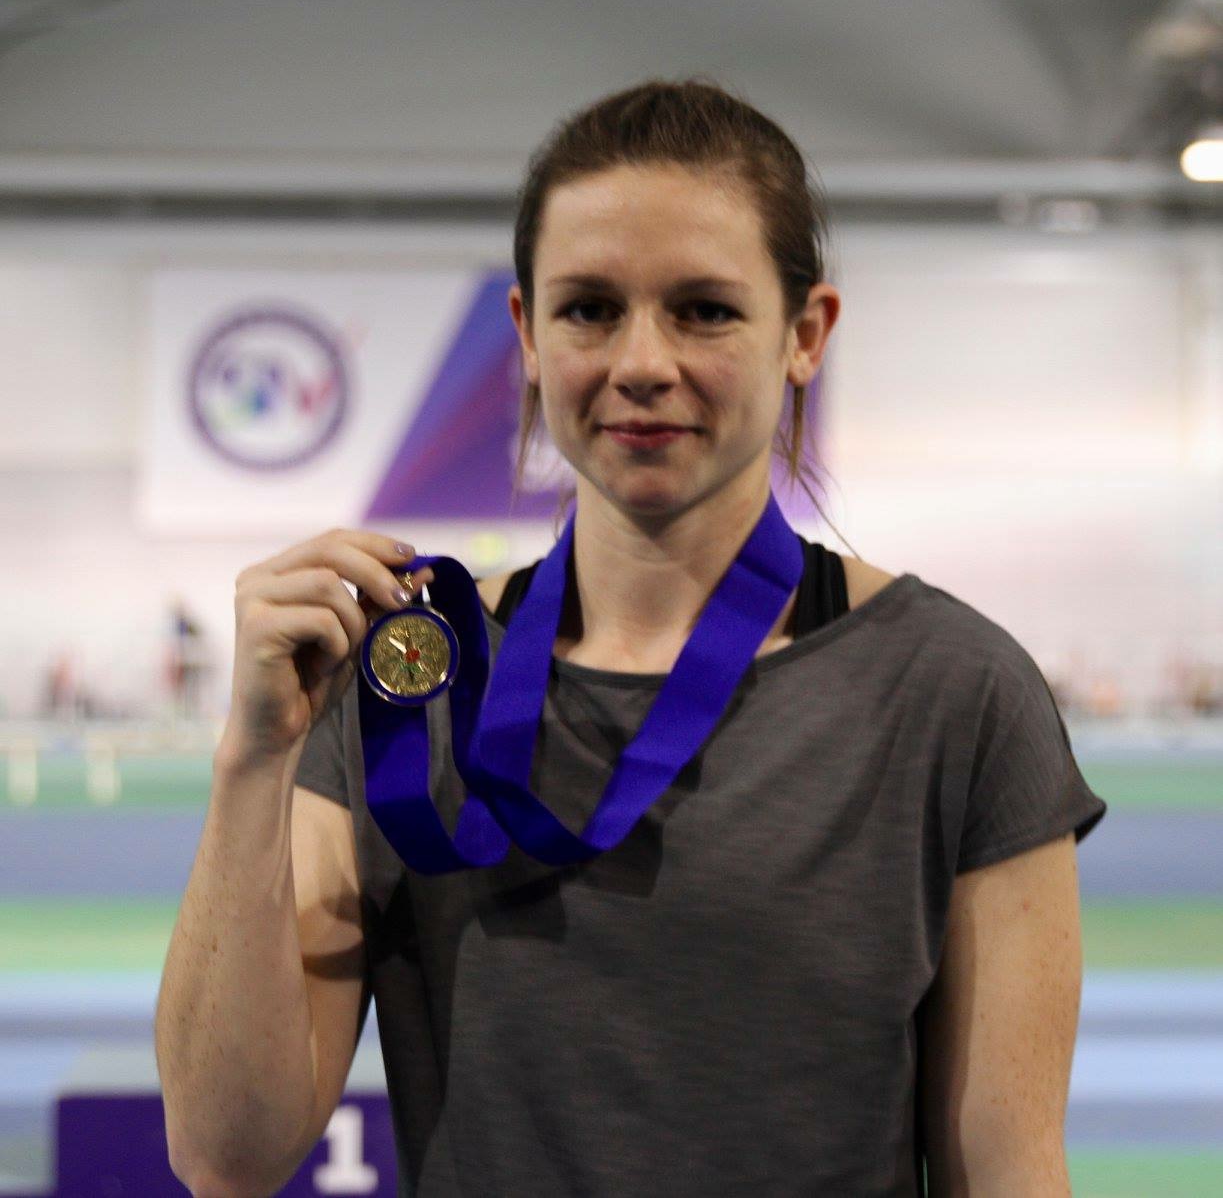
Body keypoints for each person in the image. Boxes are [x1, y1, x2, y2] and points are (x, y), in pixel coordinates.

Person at [155, 79, 1107, 1196]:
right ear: (526, 332)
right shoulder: (408, 679)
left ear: (804, 334)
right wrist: (252, 759)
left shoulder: (953, 691)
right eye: (589, 308)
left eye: (703, 309)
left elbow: (1009, 1170)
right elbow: (226, 1153)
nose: (642, 361)